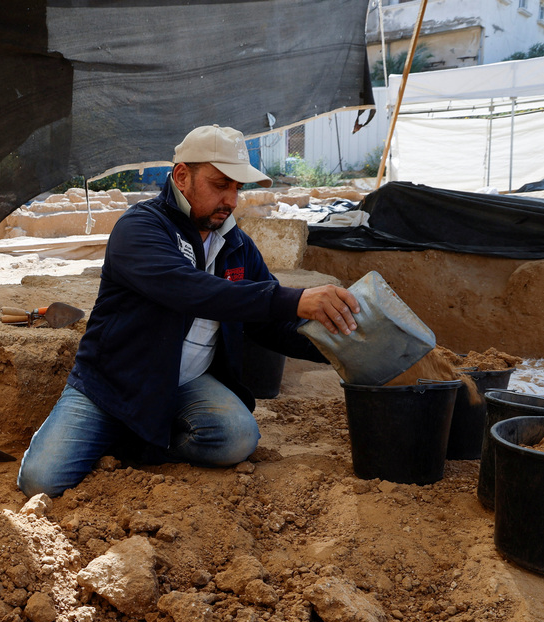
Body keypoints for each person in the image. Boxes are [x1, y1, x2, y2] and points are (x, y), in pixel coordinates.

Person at [18, 125, 359, 498]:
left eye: (237, 189)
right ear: (182, 176)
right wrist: (294, 298)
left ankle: (137, 446)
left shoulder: (236, 245)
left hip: (188, 383)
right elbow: (191, 291)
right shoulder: (141, 227)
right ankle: (123, 429)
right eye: (219, 185)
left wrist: (341, 347)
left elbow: (265, 322)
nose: (230, 199)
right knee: (41, 481)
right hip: (115, 384)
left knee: (237, 439)